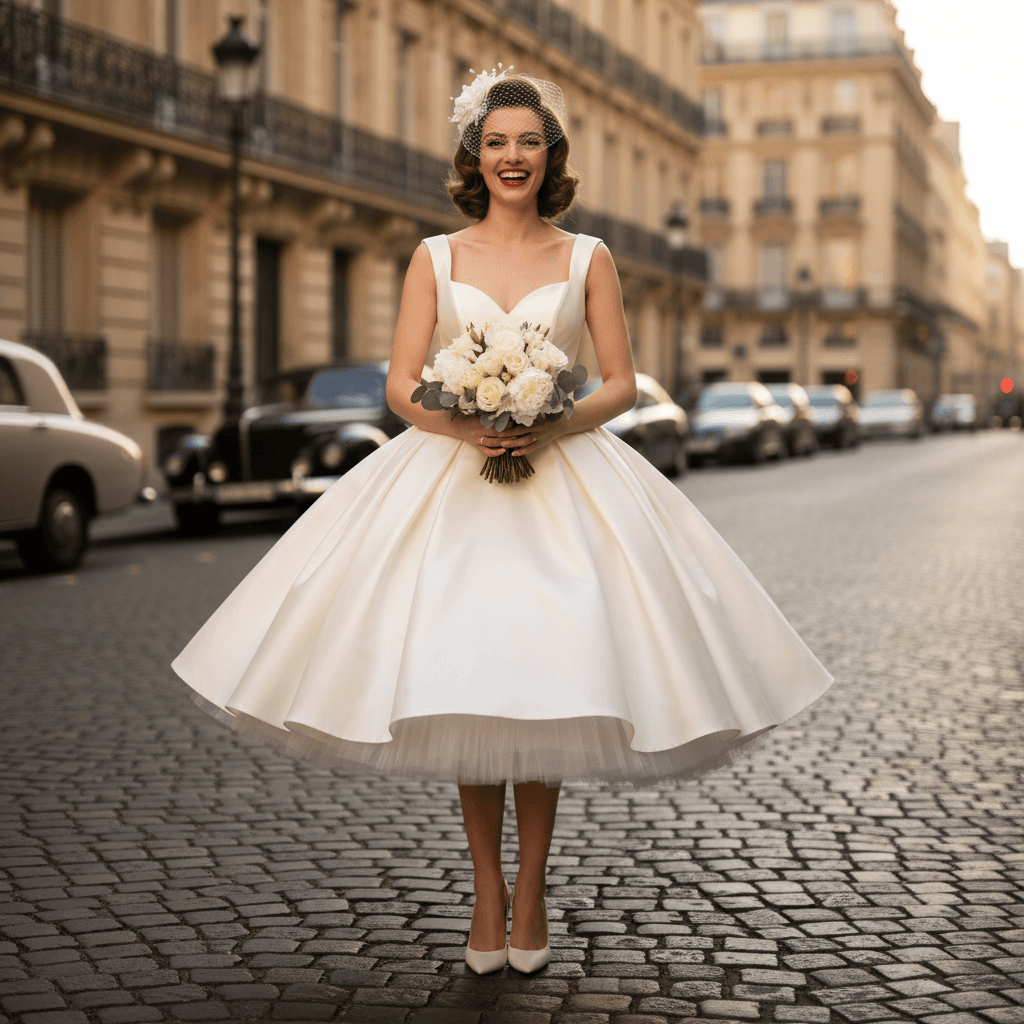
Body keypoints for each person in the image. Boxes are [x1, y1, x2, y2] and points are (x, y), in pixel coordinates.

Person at [172, 68, 832, 978]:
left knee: (545, 686)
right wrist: (470, 421)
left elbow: (620, 383)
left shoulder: (589, 255)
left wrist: (548, 418)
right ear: (473, 157)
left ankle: (533, 888)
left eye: (528, 142)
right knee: (470, 685)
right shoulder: (434, 258)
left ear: (550, 155)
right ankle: (487, 890)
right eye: (496, 142)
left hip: (565, 485)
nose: (511, 157)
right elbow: (402, 387)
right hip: (455, 485)